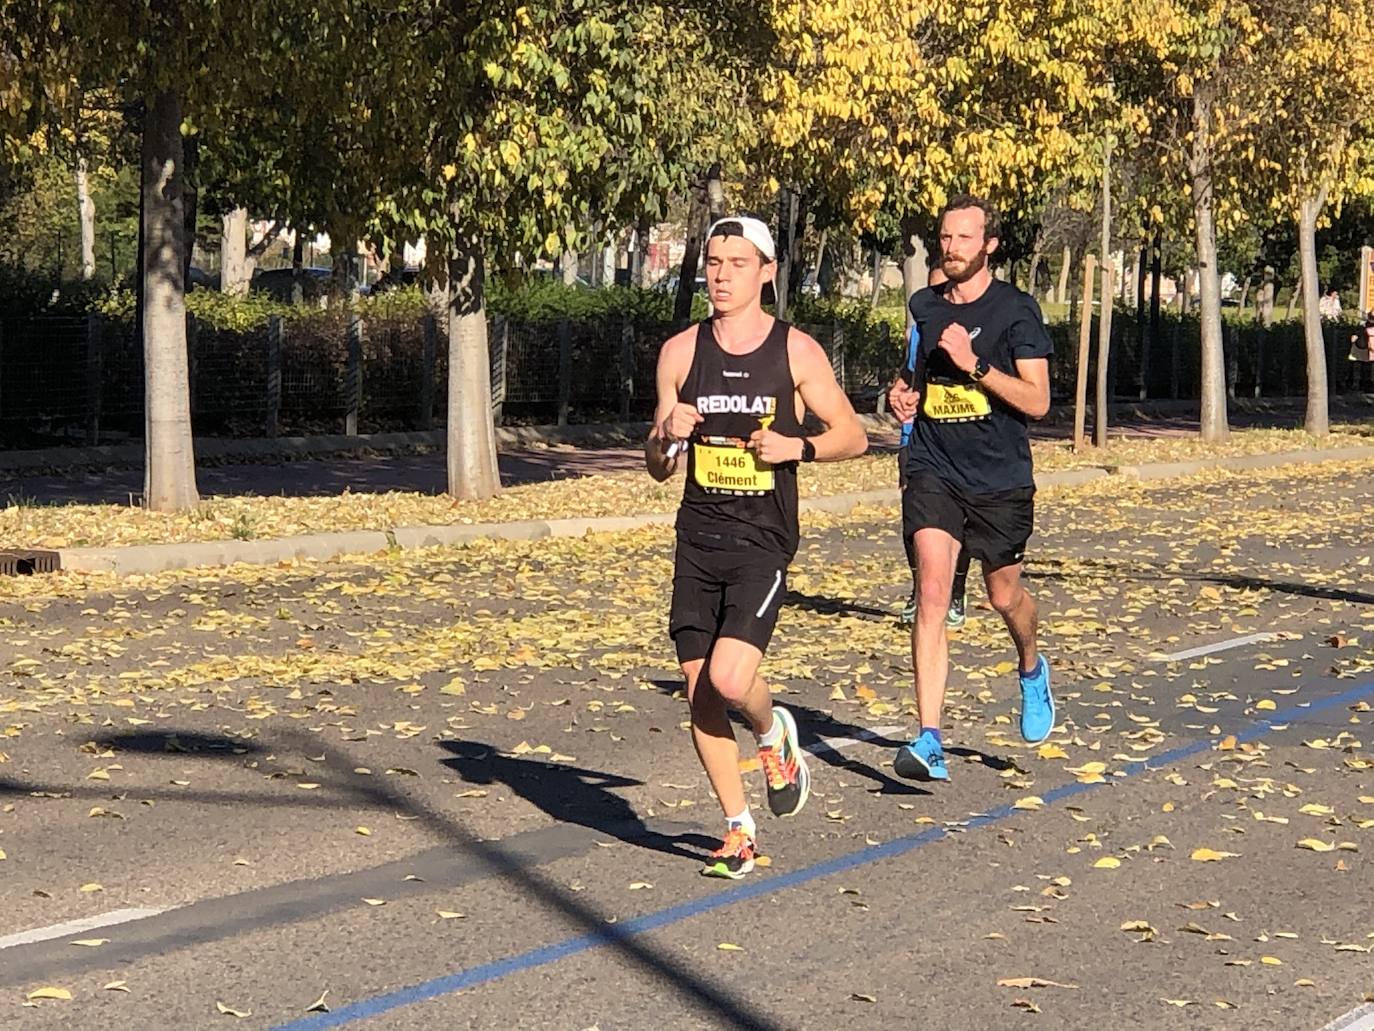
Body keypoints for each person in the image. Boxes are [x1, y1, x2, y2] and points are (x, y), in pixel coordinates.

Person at [646, 216, 868, 876]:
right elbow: (658, 464)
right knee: (701, 694)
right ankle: (738, 829)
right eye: (713, 262)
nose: (719, 274)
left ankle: (775, 734)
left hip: (761, 540)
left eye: (736, 263)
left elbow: (853, 434)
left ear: (767, 272)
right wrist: (667, 432)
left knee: (731, 677)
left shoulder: (794, 351)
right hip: (698, 537)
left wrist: (796, 446)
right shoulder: (680, 352)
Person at [886, 195, 1054, 783]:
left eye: (964, 238)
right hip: (934, 468)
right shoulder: (924, 305)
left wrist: (977, 366)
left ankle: (1031, 667)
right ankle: (929, 737)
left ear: (990, 246)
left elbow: (1037, 401)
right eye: (946, 236)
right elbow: (916, 373)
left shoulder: (1016, 311)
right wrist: (902, 393)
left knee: (1004, 596)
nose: (951, 247)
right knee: (933, 590)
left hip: (1000, 478)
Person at [895, 266, 970, 631]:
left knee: (959, 521)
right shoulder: (919, 329)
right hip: (916, 438)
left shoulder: (973, 327)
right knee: (916, 518)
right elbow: (908, 374)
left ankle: (955, 589)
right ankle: (921, 588)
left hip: (962, 439)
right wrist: (899, 393)